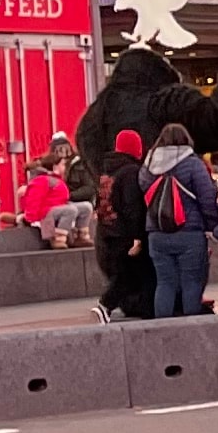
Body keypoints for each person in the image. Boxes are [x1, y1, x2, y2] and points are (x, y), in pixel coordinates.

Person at [142, 120, 218, 315]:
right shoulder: (193, 164)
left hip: (156, 233)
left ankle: (163, 330)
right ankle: (190, 329)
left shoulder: (147, 166)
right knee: (191, 282)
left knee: (165, 282)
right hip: (189, 232)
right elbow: (207, 197)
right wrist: (213, 224)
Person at [93, 127, 151, 317]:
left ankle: (120, 306)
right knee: (128, 275)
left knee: (125, 274)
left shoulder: (106, 171)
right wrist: (137, 236)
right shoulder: (131, 172)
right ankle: (104, 306)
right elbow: (132, 207)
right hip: (123, 234)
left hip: (106, 233)